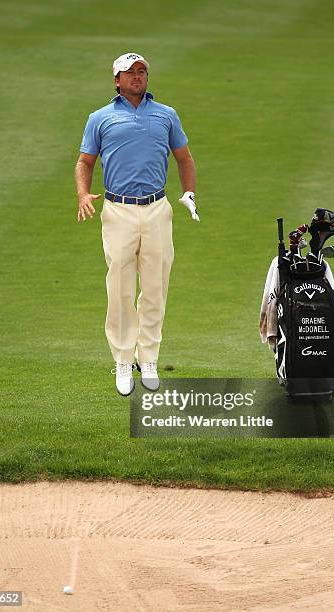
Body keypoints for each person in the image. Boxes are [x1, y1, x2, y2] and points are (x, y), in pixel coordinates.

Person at [75, 52, 198, 396]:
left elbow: (184, 158)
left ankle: (149, 359)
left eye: (142, 72)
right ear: (116, 80)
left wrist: (188, 192)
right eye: (130, 73)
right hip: (118, 211)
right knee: (120, 289)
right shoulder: (100, 118)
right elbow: (85, 162)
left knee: (156, 287)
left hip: (157, 209)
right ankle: (122, 360)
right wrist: (83, 194)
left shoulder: (165, 115)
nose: (137, 77)